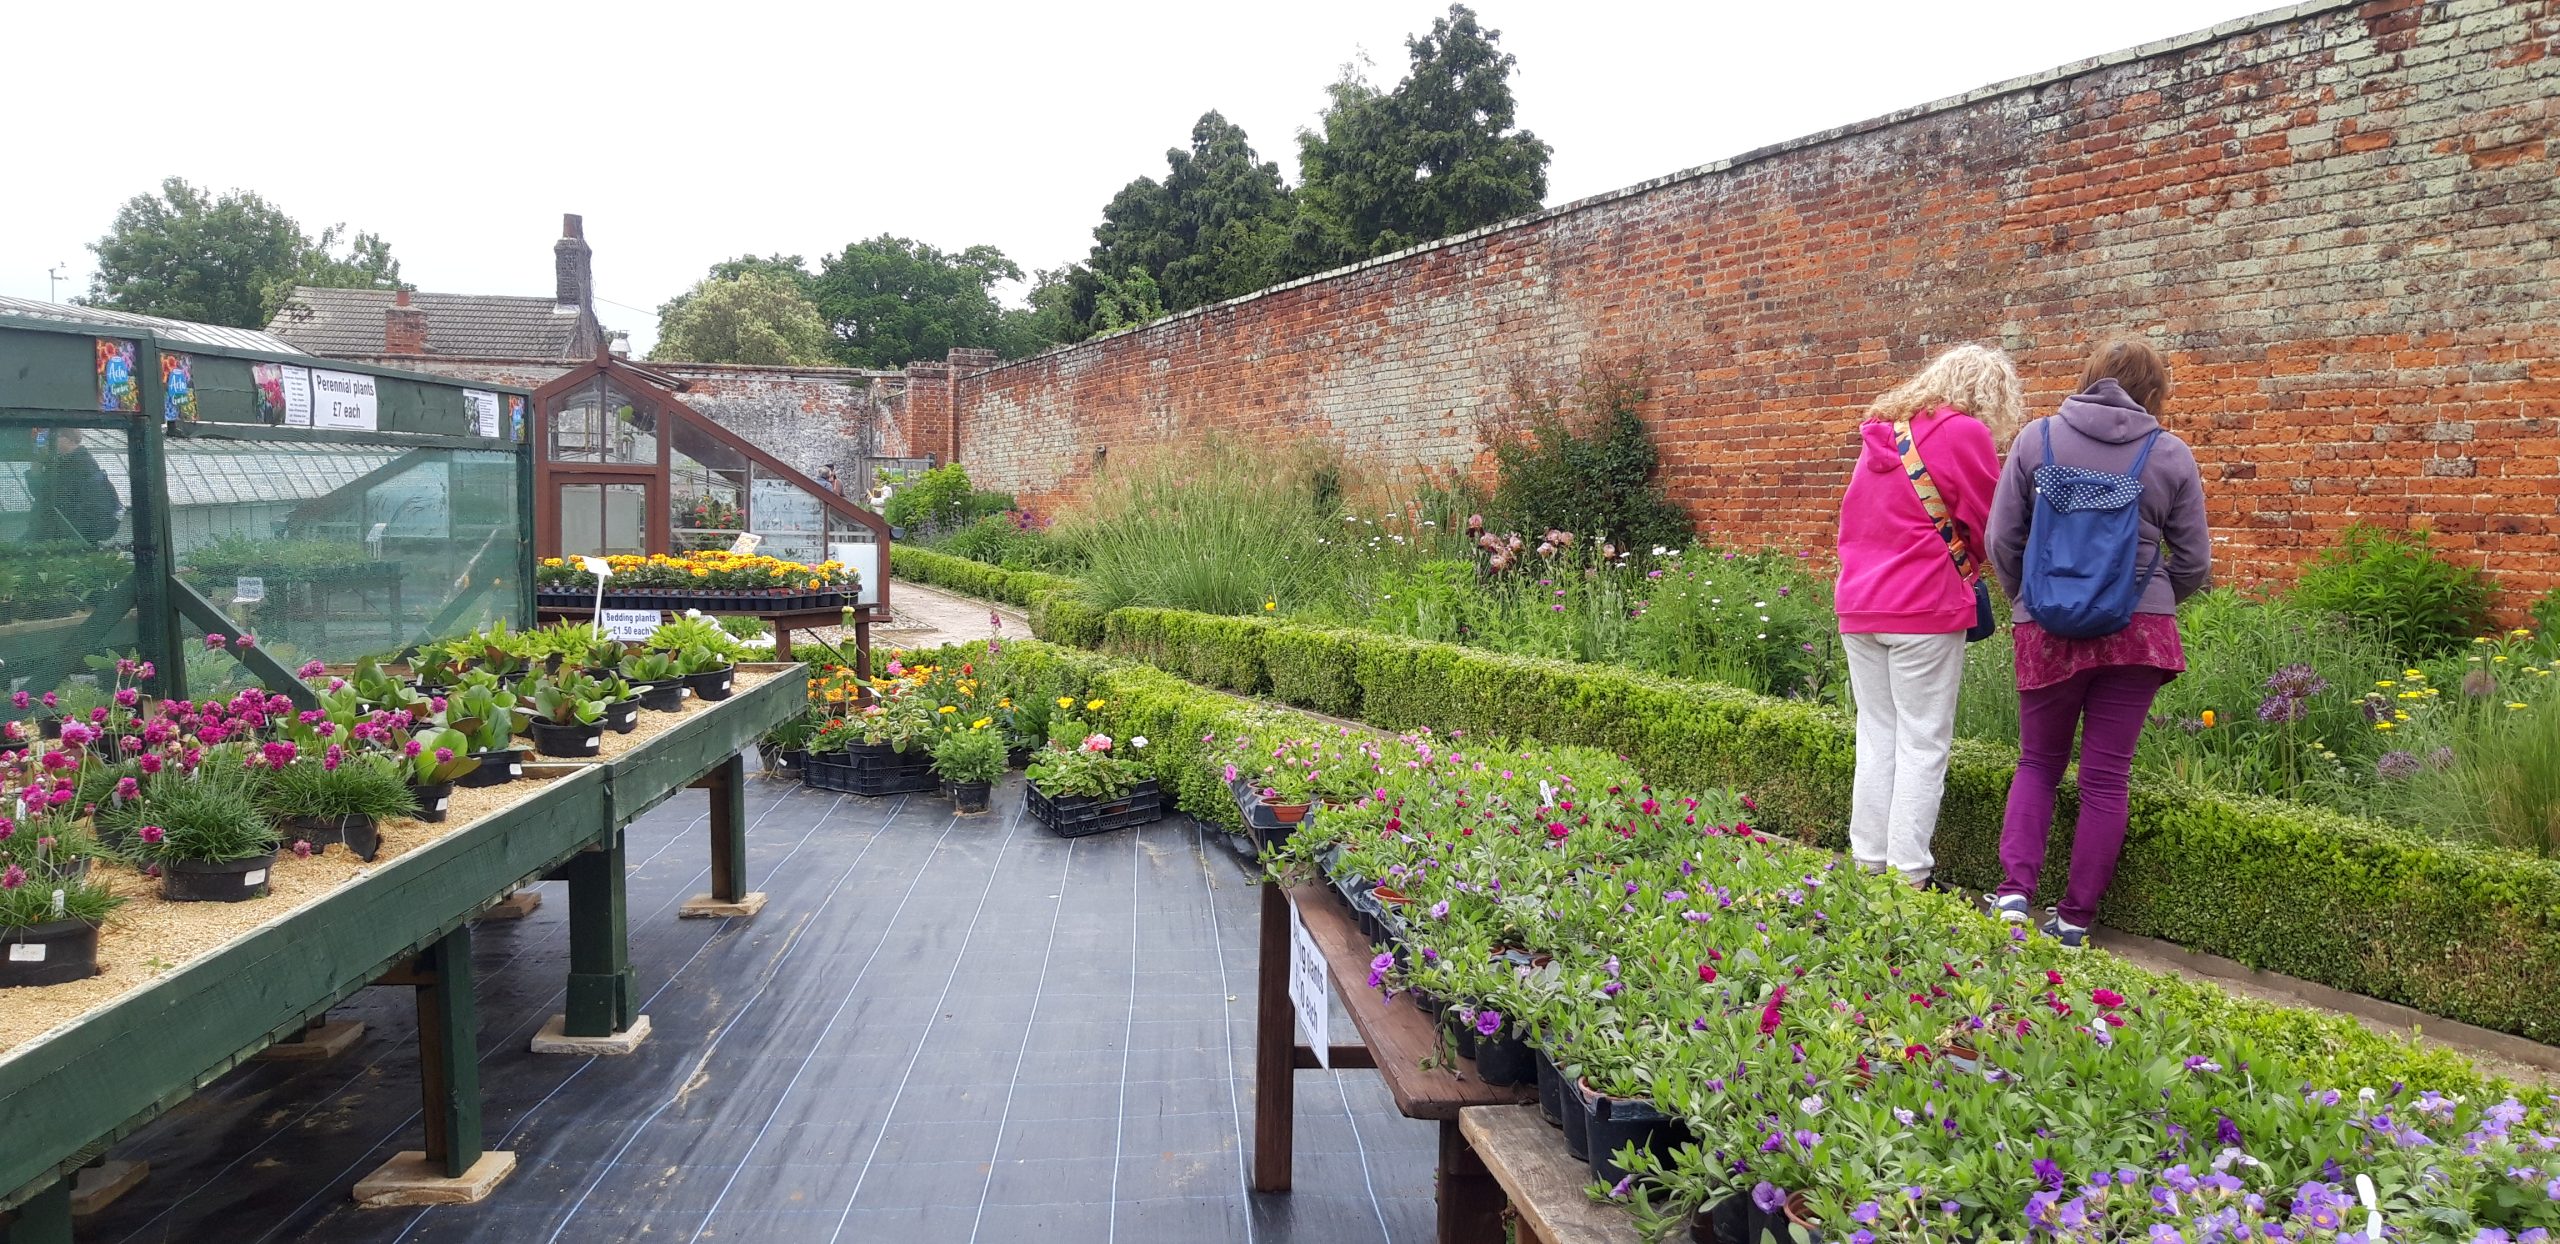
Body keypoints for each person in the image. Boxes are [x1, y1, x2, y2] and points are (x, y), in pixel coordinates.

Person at [1983, 339, 2211, 949]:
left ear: (2089, 379)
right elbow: (2194, 560)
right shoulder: (2170, 453)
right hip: (2137, 631)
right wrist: (2150, 597)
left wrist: (2027, 601)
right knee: (2107, 779)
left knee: (2037, 762)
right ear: (2155, 392)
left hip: (2047, 628)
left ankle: (2012, 899)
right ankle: (2075, 921)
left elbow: (2001, 538)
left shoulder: (2038, 440)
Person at [1833, 344, 2017, 889]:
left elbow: (1856, 521)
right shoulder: (1964, 432)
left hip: (1860, 604)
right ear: (1989, 395)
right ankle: (1908, 873)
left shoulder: (1883, 433)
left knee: (1877, 734)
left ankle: (1867, 861)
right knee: (1923, 741)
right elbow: (1991, 524)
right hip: (1924, 605)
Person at [25, 427, 121, 544]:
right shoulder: (58, 463)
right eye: (41, 440)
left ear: (68, 439)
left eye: (49, 439)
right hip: (54, 534)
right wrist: (37, 467)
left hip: (70, 536)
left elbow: (50, 498)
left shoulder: (81, 464)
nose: (44, 444)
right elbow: (42, 496)